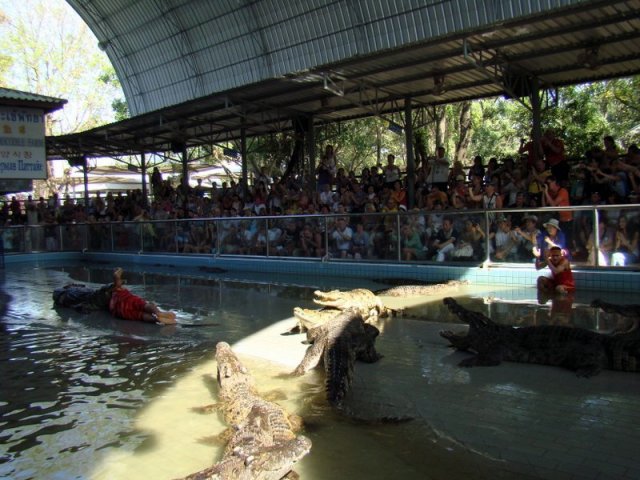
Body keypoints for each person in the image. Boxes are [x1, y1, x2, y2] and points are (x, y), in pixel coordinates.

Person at [109, 268, 177, 324]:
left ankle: (156, 319)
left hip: (119, 310)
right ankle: (158, 313)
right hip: (122, 299)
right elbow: (117, 287)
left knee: (140, 315)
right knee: (143, 305)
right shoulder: (115, 292)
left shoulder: (111, 303)